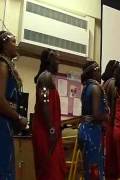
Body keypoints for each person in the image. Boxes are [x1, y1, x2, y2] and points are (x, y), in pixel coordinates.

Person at [32, 49, 66, 180]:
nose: (58, 63)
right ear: (50, 59)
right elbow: (45, 103)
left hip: (49, 131)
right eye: (57, 60)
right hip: (45, 132)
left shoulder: (46, 77)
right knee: (50, 172)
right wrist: (51, 129)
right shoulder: (45, 77)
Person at [0, 31, 27, 180]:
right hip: (2, 122)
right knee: (3, 167)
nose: (16, 44)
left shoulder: (8, 66)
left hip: (6, 122)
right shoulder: (2, 65)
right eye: (13, 41)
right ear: (4, 44)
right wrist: (18, 117)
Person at [79, 61, 108, 180]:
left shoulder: (86, 88)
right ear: (94, 71)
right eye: (98, 70)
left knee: (89, 169)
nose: (100, 73)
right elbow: (96, 114)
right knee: (94, 170)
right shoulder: (95, 88)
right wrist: (107, 117)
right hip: (92, 132)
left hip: (84, 130)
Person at [102, 60, 120, 180]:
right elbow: (114, 109)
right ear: (114, 71)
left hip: (103, 127)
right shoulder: (113, 83)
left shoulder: (104, 83)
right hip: (110, 127)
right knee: (112, 164)